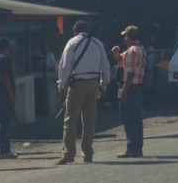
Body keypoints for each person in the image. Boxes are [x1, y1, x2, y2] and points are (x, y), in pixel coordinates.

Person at [55, 20, 110, 164]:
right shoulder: (98, 43)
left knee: (70, 119)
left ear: (75, 31)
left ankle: (69, 153)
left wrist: (61, 85)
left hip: (77, 83)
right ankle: (88, 153)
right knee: (89, 120)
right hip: (94, 83)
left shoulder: (72, 43)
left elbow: (64, 66)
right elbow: (105, 66)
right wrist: (104, 85)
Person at [111, 25, 146, 158]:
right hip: (138, 87)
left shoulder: (132, 51)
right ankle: (137, 147)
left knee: (129, 118)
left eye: (125, 36)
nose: (124, 39)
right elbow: (121, 59)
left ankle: (132, 147)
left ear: (129, 37)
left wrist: (124, 92)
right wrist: (116, 54)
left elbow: (130, 73)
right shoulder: (140, 49)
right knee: (136, 119)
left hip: (130, 87)